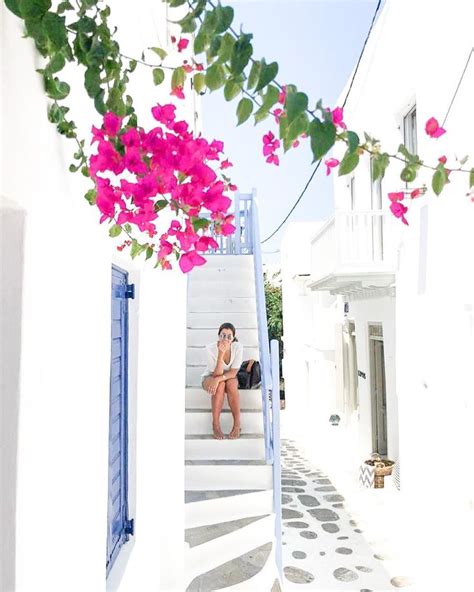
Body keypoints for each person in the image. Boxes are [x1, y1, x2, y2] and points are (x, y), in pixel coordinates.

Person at [201, 322, 244, 440]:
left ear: (233, 338)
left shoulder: (238, 347)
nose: (225, 339)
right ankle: (215, 425)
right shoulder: (209, 349)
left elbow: (234, 372)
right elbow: (215, 374)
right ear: (218, 336)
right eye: (223, 335)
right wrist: (221, 354)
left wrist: (219, 379)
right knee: (219, 386)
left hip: (228, 377)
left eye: (229, 336)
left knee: (231, 383)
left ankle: (237, 425)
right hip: (210, 376)